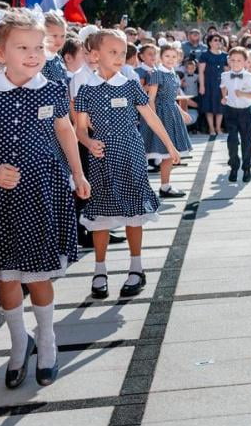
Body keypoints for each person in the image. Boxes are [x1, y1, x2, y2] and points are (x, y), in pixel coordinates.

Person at [0, 8, 87, 388]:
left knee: (37, 273)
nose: (34, 54)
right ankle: (20, 342)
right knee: (6, 275)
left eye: (39, 46)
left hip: (42, 191)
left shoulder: (51, 87)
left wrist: (78, 173)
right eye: (23, 48)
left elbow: (65, 131)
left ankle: (47, 340)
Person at [75, 29, 181, 301]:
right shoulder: (86, 90)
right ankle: (100, 270)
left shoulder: (131, 85)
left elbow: (151, 117)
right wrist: (88, 143)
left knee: (134, 210)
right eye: (113, 52)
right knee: (101, 216)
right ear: (95, 55)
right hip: (101, 158)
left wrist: (169, 145)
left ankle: (136, 267)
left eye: (123, 52)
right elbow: (79, 129)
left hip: (131, 154)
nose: (120, 57)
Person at [145, 43, 192, 198]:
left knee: (169, 154)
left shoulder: (173, 73)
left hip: (171, 114)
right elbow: (151, 99)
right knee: (161, 152)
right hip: (160, 115)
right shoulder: (158, 73)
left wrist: (182, 112)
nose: (170, 59)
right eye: (167, 56)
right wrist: (154, 118)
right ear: (160, 57)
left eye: (173, 56)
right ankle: (145, 189)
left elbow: (171, 99)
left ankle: (165, 186)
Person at [219, 47, 251, 183]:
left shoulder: (249, 76)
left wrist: (242, 94)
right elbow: (223, 86)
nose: (235, 63)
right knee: (232, 140)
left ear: (245, 62)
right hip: (230, 111)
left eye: (239, 60)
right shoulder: (225, 75)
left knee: (246, 141)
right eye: (233, 60)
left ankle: (246, 168)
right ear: (229, 61)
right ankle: (234, 166)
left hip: (245, 112)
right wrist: (224, 97)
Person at [198, 33, 228, 137]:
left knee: (220, 107)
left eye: (220, 40)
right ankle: (211, 128)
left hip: (221, 85)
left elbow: (227, 72)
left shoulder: (225, 55)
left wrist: (227, 86)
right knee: (208, 106)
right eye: (215, 40)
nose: (218, 42)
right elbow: (201, 71)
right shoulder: (205, 55)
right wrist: (202, 86)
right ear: (210, 42)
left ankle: (218, 128)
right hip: (208, 83)